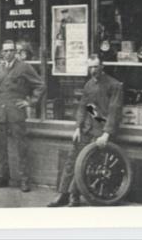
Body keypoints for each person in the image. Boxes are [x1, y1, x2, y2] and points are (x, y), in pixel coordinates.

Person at [48, 52, 123, 207]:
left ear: (102, 66)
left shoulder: (114, 85)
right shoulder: (89, 85)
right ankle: (62, 194)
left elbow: (114, 112)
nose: (93, 70)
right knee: (71, 161)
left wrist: (106, 134)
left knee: (84, 163)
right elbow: (83, 107)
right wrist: (77, 127)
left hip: (100, 133)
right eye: (90, 67)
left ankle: (73, 196)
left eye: (96, 66)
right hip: (87, 130)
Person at [0, 39, 45, 192]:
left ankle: (24, 180)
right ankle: (2, 177)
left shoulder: (24, 67)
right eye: (5, 51)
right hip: (1, 113)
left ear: (15, 52)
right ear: (1, 53)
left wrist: (30, 102)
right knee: (0, 147)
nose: (8, 53)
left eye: (11, 50)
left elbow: (40, 85)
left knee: (21, 147)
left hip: (16, 113)